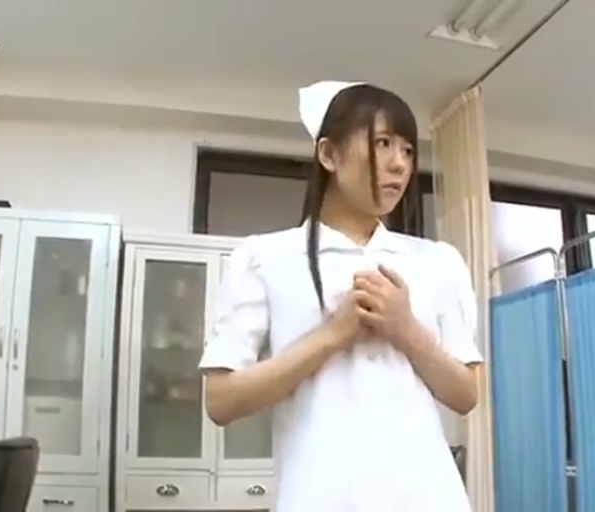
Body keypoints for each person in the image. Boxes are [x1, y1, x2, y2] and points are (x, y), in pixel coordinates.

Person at [199, 80, 483, 511]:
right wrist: (331, 335)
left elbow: (466, 395)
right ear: (329, 154)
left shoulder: (437, 261)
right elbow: (221, 401)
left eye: (408, 150)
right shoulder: (265, 258)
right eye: (382, 143)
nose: (400, 164)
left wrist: (406, 330)